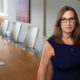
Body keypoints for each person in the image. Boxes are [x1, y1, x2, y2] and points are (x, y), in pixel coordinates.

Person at [37, 6, 80, 80]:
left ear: (75, 21)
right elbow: (42, 71)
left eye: (71, 19)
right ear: (59, 22)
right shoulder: (51, 44)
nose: (68, 23)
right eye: (64, 19)